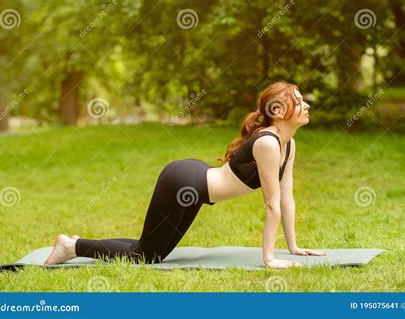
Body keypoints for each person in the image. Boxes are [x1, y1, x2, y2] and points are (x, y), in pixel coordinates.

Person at [44, 81, 326, 269]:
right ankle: (72, 246)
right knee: (147, 255)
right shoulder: (267, 143)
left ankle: (74, 244)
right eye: (299, 101)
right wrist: (269, 259)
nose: (307, 106)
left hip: (195, 186)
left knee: (152, 252)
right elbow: (271, 203)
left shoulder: (288, 144)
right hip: (184, 183)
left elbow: (286, 196)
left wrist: (294, 247)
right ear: (278, 111)